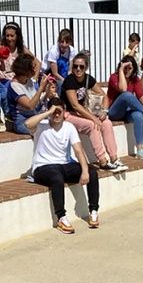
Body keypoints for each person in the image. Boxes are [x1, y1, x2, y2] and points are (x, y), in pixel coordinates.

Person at [27, 97, 100, 234]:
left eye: (58, 111)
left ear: (64, 112)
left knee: (92, 172)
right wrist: (48, 112)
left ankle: (94, 211)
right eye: (53, 112)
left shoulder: (69, 127)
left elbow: (78, 151)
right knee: (56, 177)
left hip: (64, 165)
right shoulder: (41, 125)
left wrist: (85, 171)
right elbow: (27, 124)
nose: (56, 114)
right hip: (43, 167)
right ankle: (61, 217)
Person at [61, 52, 125, 172]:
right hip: (69, 114)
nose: (78, 69)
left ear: (86, 67)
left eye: (81, 67)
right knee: (93, 125)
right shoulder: (69, 81)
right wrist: (94, 118)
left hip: (83, 113)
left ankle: (114, 158)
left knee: (106, 123)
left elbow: (104, 96)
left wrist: (104, 111)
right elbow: (75, 105)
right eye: (75, 66)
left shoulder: (88, 79)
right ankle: (102, 161)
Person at [107, 55, 143, 160]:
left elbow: (140, 95)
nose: (127, 70)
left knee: (138, 115)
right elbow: (123, 89)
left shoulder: (135, 79)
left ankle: (140, 149)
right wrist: (121, 70)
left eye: (129, 68)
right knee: (127, 95)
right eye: (125, 67)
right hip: (114, 112)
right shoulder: (114, 77)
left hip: (127, 112)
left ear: (134, 68)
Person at [6, 53, 56, 135]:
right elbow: (30, 106)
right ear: (25, 69)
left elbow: (36, 102)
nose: (35, 70)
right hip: (23, 122)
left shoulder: (29, 81)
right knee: (45, 131)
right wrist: (41, 88)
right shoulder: (14, 86)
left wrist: (47, 92)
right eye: (33, 67)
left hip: (36, 117)